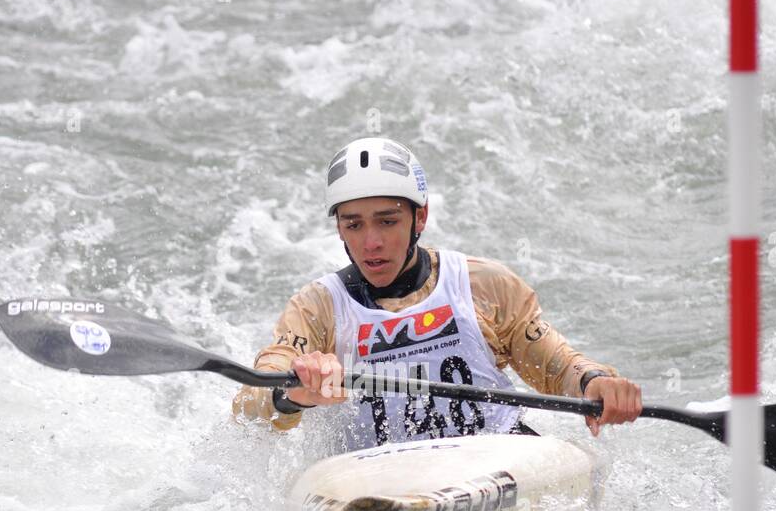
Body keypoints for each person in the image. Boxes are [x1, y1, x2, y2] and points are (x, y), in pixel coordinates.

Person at [231, 137, 641, 448]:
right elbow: (251, 401)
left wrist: (594, 381)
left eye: (387, 221)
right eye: (354, 225)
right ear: (339, 228)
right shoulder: (317, 308)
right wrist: (293, 394)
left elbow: (556, 366)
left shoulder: (483, 284)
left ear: (419, 217)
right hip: (369, 484)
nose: (371, 242)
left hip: (494, 459)